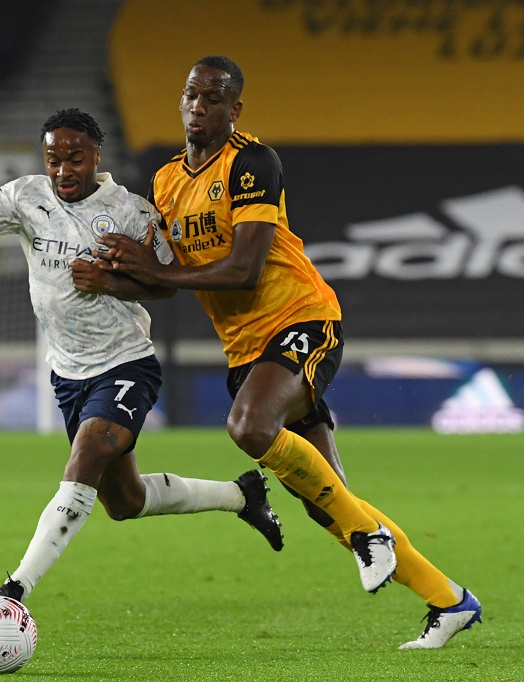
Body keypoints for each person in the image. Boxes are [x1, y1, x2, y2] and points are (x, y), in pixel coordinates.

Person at [95, 56, 481, 649]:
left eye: (214, 99)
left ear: (235, 109)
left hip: (302, 318)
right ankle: (449, 600)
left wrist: (152, 268)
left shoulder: (252, 163)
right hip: (247, 349)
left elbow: (246, 270)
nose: (199, 107)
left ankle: (368, 540)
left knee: (248, 427)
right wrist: (114, 278)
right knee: (330, 500)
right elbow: (170, 279)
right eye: (192, 96)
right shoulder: (168, 181)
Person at [0, 108, 283, 605]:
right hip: (69, 374)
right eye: (54, 159)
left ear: (96, 156)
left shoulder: (132, 211)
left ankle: (15, 588)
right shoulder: (25, 197)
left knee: (86, 454)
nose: (64, 170)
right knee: (124, 502)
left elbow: (166, 284)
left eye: (75, 159)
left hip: (126, 364)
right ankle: (243, 495)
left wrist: (112, 281)